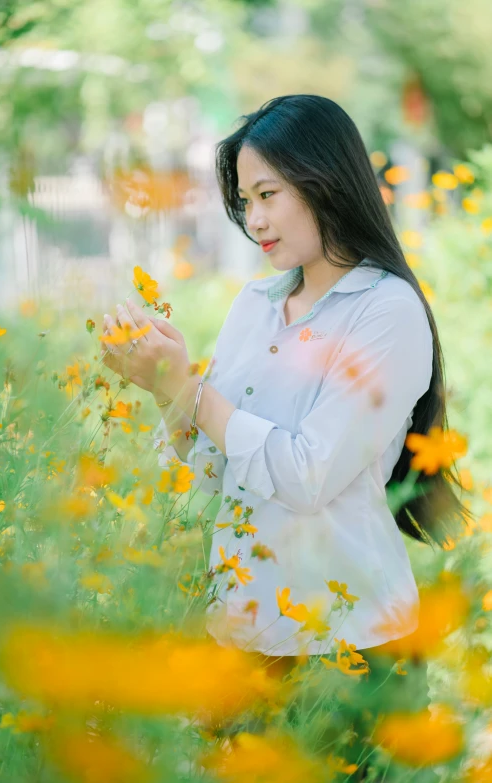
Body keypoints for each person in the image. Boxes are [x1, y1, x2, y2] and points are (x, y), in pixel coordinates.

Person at [101, 94, 471, 777]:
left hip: (349, 651)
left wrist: (190, 388)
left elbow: (307, 474)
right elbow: (215, 468)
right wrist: (164, 388)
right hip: (241, 642)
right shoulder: (256, 304)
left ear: (324, 180)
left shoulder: (387, 311)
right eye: (245, 200)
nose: (255, 219)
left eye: (268, 193)